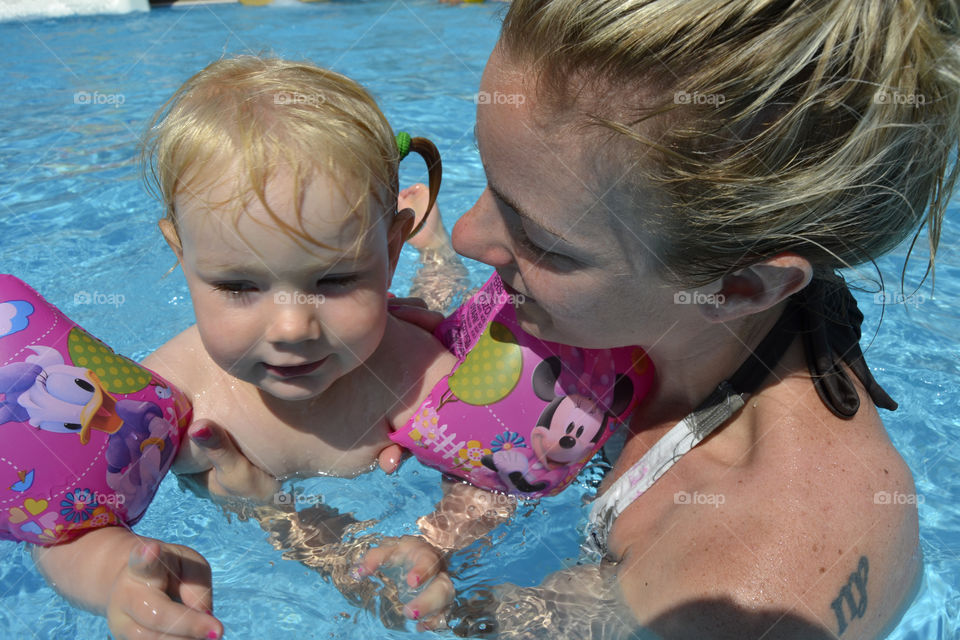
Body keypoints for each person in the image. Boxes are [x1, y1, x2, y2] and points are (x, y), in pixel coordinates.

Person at [355, 1, 960, 637]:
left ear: (739, 287)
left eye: (539, 238)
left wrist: (273, 508)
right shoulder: (640, 300)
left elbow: (468, 621)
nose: (473, 234)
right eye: (492, 182)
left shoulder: (729, 583)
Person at [29, 55, 465, 640]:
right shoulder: (166, 399)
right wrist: (118, 578)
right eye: (237, 286)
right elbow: (66, 526)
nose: (291, 328)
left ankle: (432, 250)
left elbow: (496, 474)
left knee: (440, 305)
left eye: (335, 280)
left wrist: (439, 541)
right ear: (181, 254)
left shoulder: (413, 370)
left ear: (387, 251)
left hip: (404, 312)